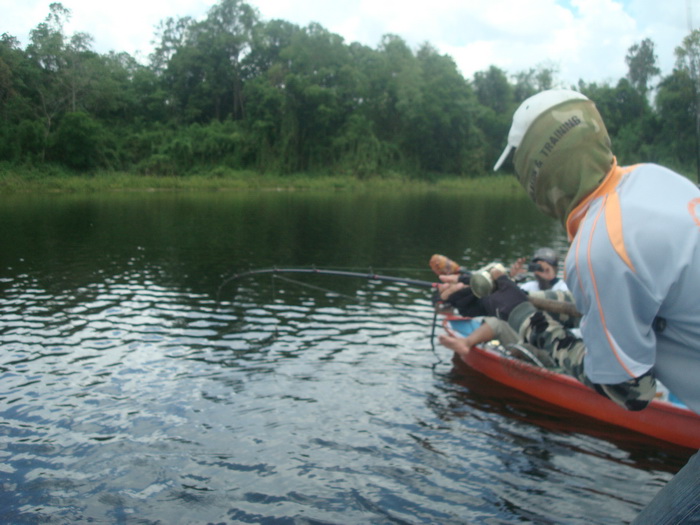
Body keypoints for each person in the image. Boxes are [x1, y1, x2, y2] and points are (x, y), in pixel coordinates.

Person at [441, 88, 700, 523]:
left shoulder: (596, 249)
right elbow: (638, 297)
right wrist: (512, 296)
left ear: (536, 175)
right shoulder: (651, 180)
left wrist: (518, 316)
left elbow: (629, 390)